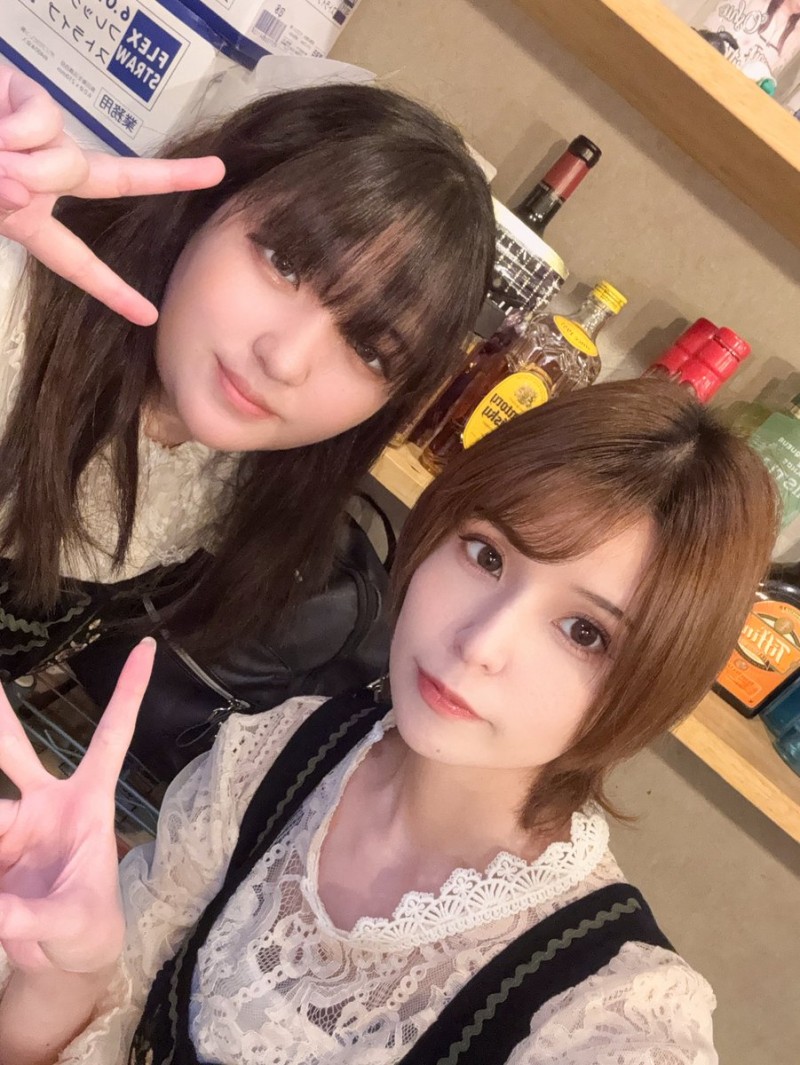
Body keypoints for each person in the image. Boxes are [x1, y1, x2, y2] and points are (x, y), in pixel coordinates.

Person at [0, 379, 777, 1064]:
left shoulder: (605, 1009)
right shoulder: (280, 751)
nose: (481, 644)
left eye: (584, 632)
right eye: (487, 555)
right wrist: (61, 970)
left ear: (651, 687)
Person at [0, 65, 494, 675]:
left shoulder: (244, 486)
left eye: (370, 350)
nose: (285, 361)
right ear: (207, 205)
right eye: (286, 264)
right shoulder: (15, 319)